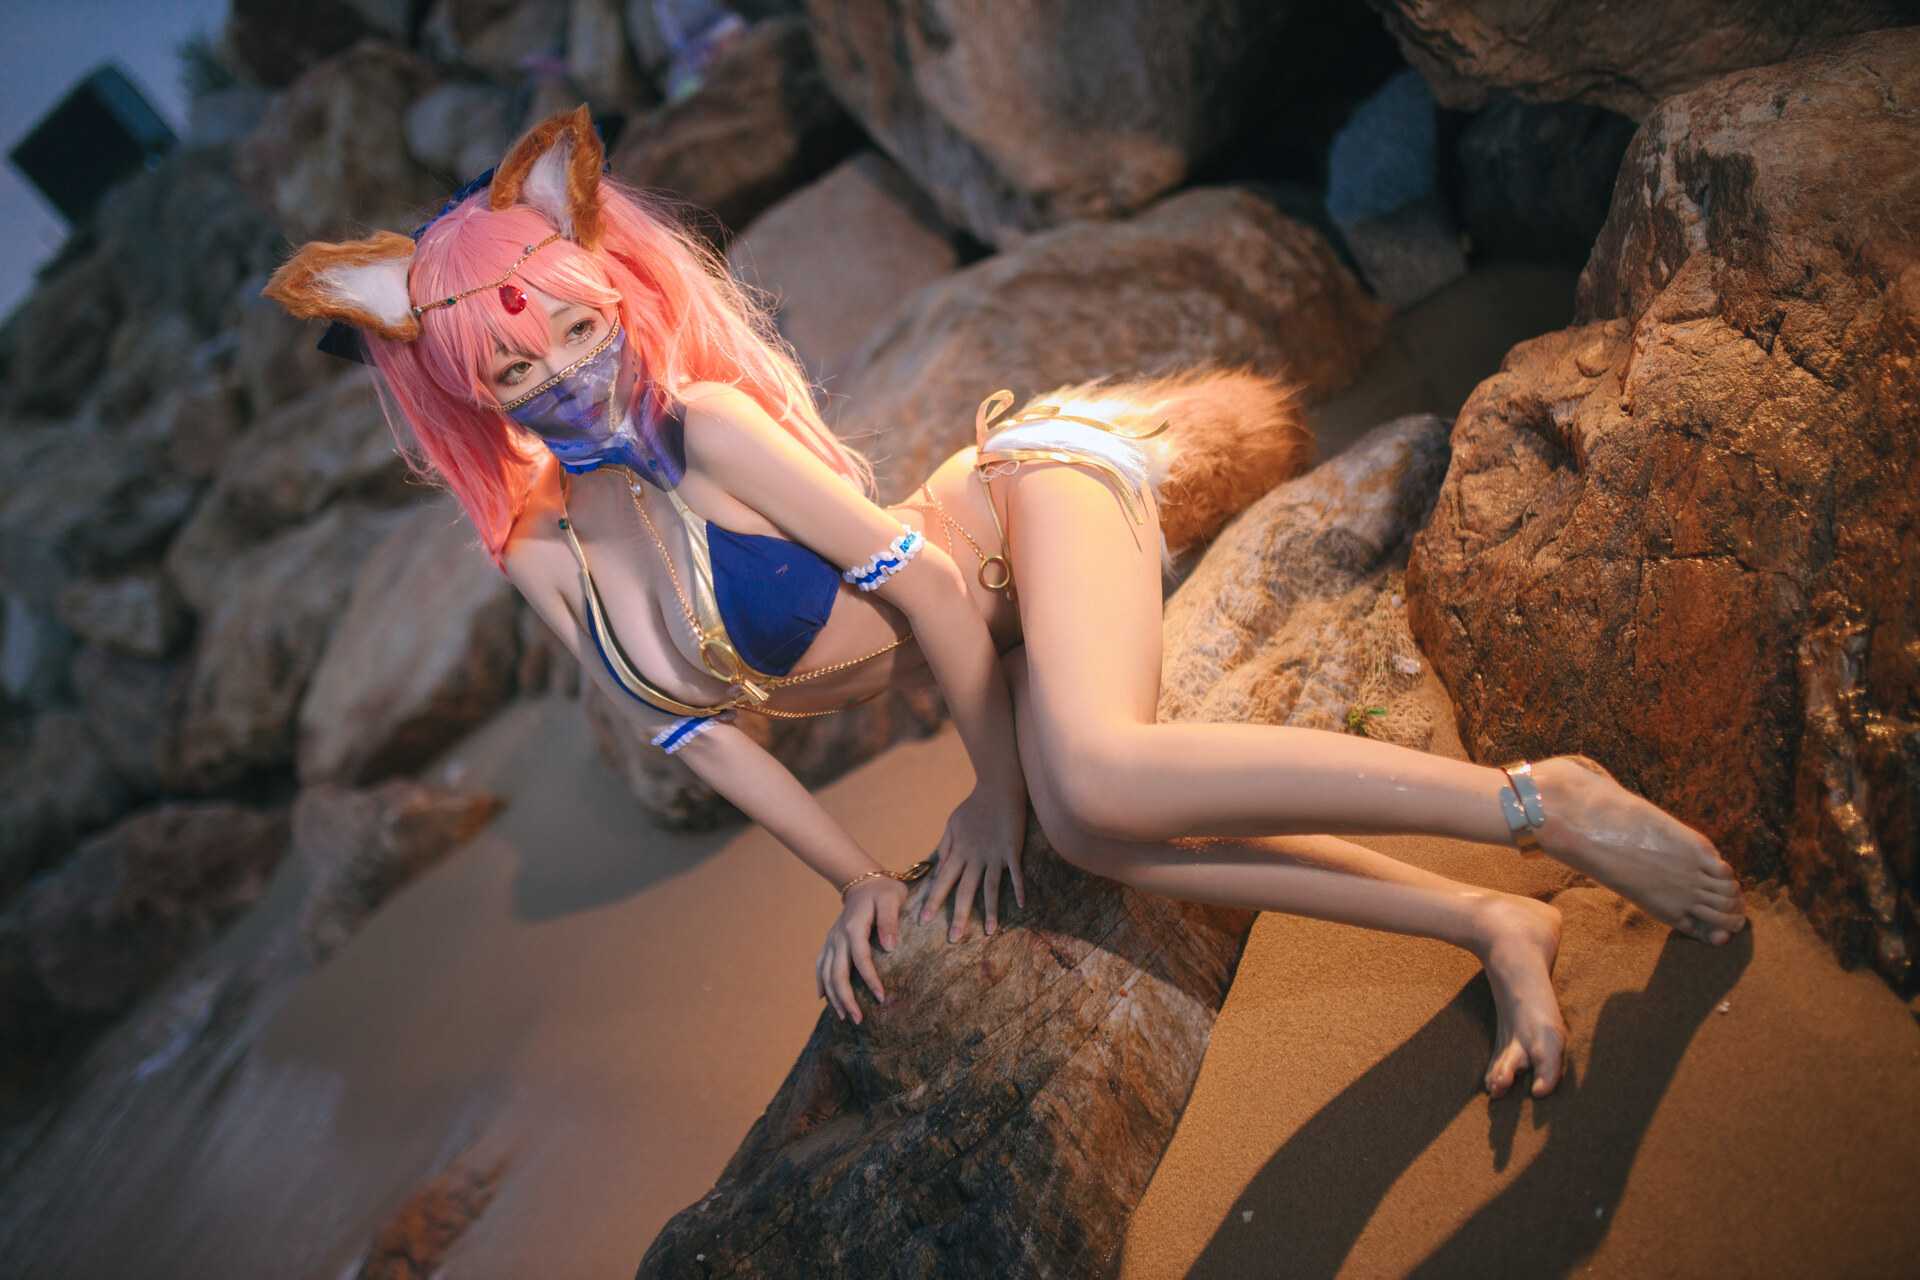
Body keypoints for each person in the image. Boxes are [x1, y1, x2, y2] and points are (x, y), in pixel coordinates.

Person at [264, 105, 1746, 1101]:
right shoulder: (544, 556)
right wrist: (859, 879)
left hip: (1022, 506)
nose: (566, 373)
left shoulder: (706, 426)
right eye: (516, 369)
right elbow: (695, 741)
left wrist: (987, 791)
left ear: (613, 293)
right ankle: (1491, 922)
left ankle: (1537, 803)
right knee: (1096, 833)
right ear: (468, 394)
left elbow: (920, 586)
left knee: (1082, 782)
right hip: (999, 623)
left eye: (577, 329)